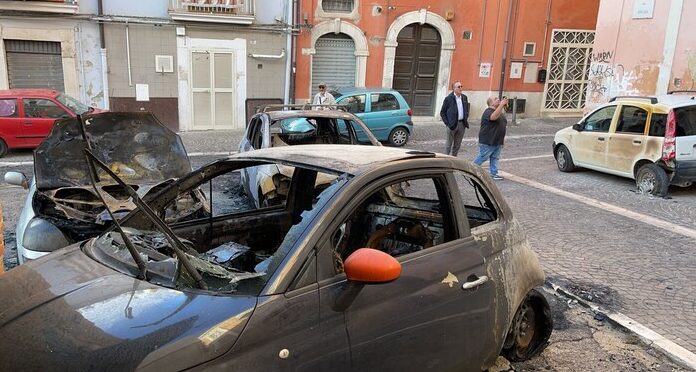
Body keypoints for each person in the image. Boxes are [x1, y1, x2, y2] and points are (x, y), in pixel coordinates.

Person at [473, 96, 509, 180]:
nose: (499, 99)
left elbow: (502, 125)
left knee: (495, 158)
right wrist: (501, 105)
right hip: (488, 140)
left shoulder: (499, 112)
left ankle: (493, 173)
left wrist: (502, 140)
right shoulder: (488, 111)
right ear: (491, 103)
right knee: (483, 157)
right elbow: (493, 117)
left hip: (497, 141)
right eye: (496, 99)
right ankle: (470, 169)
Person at [440, 81, 469, 156]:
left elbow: (466, 109)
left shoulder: (464, 97)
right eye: (458, 87)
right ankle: (445, 159)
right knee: (448, 145)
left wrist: (465, 117)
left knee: (457, 145)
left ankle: (454, 159)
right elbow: (443, 112)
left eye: (461, 86)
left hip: (462, 124)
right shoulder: (448, 98)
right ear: (454, 89)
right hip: (452, 124)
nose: (460, 88)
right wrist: (447, 123)